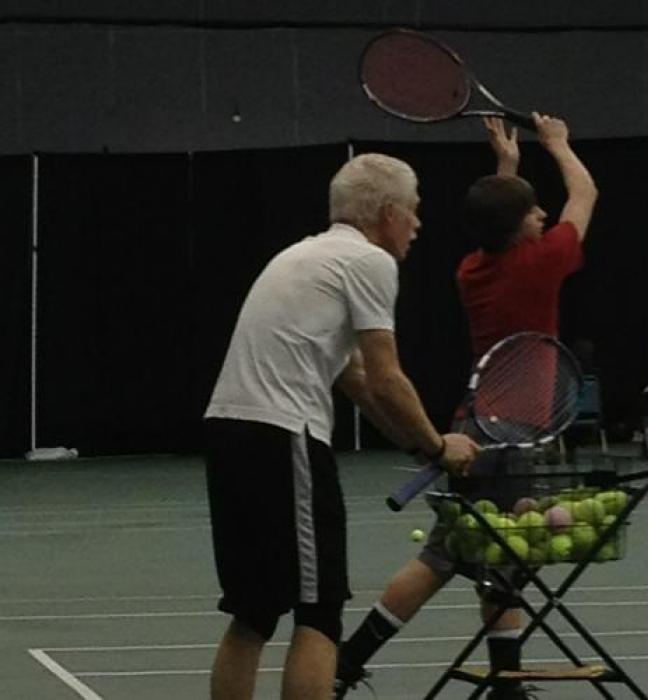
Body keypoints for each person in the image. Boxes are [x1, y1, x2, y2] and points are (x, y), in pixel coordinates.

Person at [335, 113, 598, 700]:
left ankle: (505, 683)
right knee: (443, 558)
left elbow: (498, 216)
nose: (543, 216)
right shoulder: (540, 262)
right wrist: (557, 143)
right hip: (510, 435)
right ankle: (345, 663)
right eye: (533, 212)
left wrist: (506, 166)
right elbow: (584, 193)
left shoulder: (472, 268)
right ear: (520, 229)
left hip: (475, 426)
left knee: (495, 557)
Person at [203, 153, 480, 700]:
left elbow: (353, 378)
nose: (419, 225)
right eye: (414, 212)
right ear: (387, 211)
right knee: (320, 610)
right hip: (284, 438)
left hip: (229, 431)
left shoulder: (303, 255)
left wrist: (415, 446)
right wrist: (437, 444)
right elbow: (386, 377)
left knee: (254, 611)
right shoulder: (368, 262)